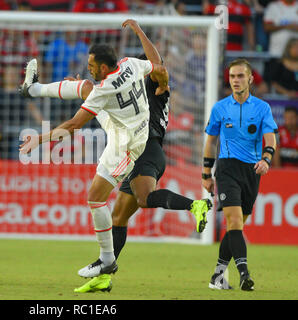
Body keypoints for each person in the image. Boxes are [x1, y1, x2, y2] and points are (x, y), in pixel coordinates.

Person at [20, 19, 211, 291]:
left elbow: (76, 124)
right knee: (119, 217)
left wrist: (39, 139)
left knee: (114, 198)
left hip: (138, 146)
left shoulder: (153, 88)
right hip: (134, 133)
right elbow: (157, 65)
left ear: (104, 65)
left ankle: (110, 259)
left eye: (92, 65)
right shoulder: (134, 67)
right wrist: (138, 31)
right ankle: (105, 276)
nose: (89, 68)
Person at [202, 58, 278, 291]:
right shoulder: (220, 108)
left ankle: (217, 275)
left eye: (240, 76)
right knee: (234, 221)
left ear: (250, 79)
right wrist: (206, 172)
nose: (235, 80)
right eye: (232, 76)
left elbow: (270, 138)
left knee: (237, 226)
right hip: (226, 169)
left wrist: (266, 159)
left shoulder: (262, 108)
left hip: (252, 171)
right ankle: (244, 274)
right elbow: (211, 140)